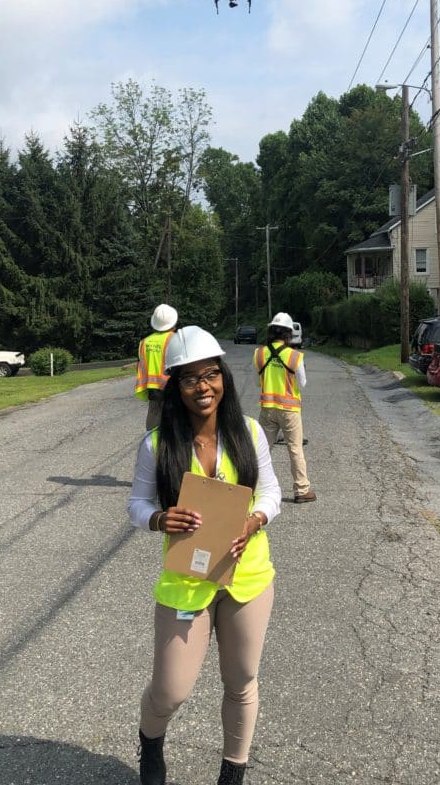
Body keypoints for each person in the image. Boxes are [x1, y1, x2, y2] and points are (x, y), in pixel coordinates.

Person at [128, 326, 281, 785]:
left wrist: (254, 520)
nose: (202, 386)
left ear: (223, 378)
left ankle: (232, 774)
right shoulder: (158, 445)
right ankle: (151, 744)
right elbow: (136, 505)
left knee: (241, 681)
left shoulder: (249, 432)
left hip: (248, 577)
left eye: (210, 375)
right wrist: (160, 519)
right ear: (175, 385)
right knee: (171, 691)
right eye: (190, 378)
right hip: (186, 581)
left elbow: (270, 492)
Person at [253, 312, 316, 503]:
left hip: (267, 408)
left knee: (262, 449)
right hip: (289, 410)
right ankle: (301, 490)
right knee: (295, 449)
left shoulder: (259, 353)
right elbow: (302, 383)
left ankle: (252, 488)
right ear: (288, 334)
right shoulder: (294, 356)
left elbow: (258, 382)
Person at [135, 304, 178, 430]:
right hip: (172, 387)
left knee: (154, 416)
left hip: (153, 388)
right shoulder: (175, 340)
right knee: (175, 419)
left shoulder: (144, 342)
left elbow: (140, 364)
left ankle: (151, 445)